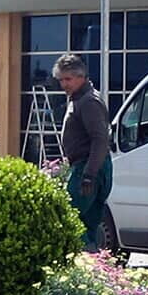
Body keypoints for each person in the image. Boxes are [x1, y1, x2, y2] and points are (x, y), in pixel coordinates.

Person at [54, 54, 113, 253]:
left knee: (70, 220)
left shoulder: (88, 101)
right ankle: (93, 265)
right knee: (86, 225)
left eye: (68, 79)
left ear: (81, 77)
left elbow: (100, 139)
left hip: (89, 167)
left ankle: (86, 262)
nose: (64, 84)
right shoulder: (79, 99)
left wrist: (89, 174)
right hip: (89, 166)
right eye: (61, 79)